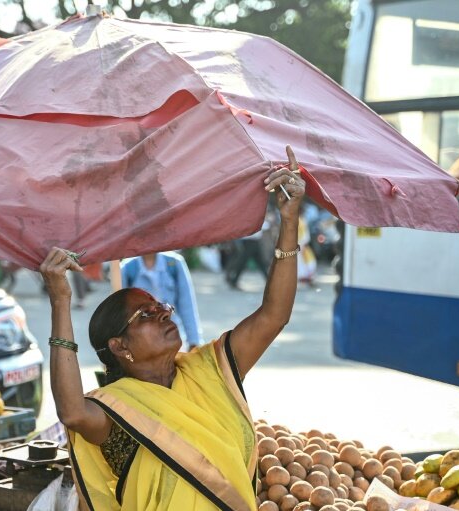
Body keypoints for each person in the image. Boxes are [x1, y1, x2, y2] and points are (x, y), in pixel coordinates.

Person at [39, 145, 305, 510]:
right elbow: (71, 412)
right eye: (146, 314)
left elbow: (275, 315)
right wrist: (60, 301)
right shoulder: (119, 412)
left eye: (162, 306)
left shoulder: (209, 370)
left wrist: (289, 223)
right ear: (119, 346)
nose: (165, 313)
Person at [120, 252, 203, 348]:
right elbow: (121, 310)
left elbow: (187, 306)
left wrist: (194, 341)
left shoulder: (174, 264)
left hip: (170, 335)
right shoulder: (128, 268)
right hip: (141, 340)